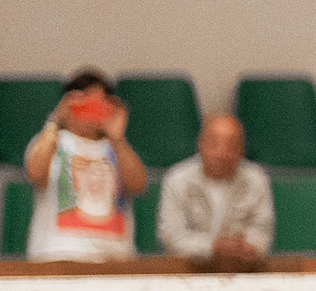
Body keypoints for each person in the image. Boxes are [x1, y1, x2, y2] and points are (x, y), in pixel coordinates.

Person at [21, 70, 146, 261]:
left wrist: (118, 139)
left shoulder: (117, 147)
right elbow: (34, 173)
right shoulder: (52, 141)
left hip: (115, 262)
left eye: (101, 103)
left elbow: (138, 185)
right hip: (59, 258)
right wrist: (55, 121)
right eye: (87, 102)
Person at [157, 114, 274, 264]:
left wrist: (247, 248)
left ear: (242, 150)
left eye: (231, 146)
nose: (222, 153)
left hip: (243, 269)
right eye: (214, 144)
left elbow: (262, 232)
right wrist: (213, 248)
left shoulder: (256, 179)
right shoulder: (177, 179)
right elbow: (171, 236)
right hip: (188, 270)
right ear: (200, 144)